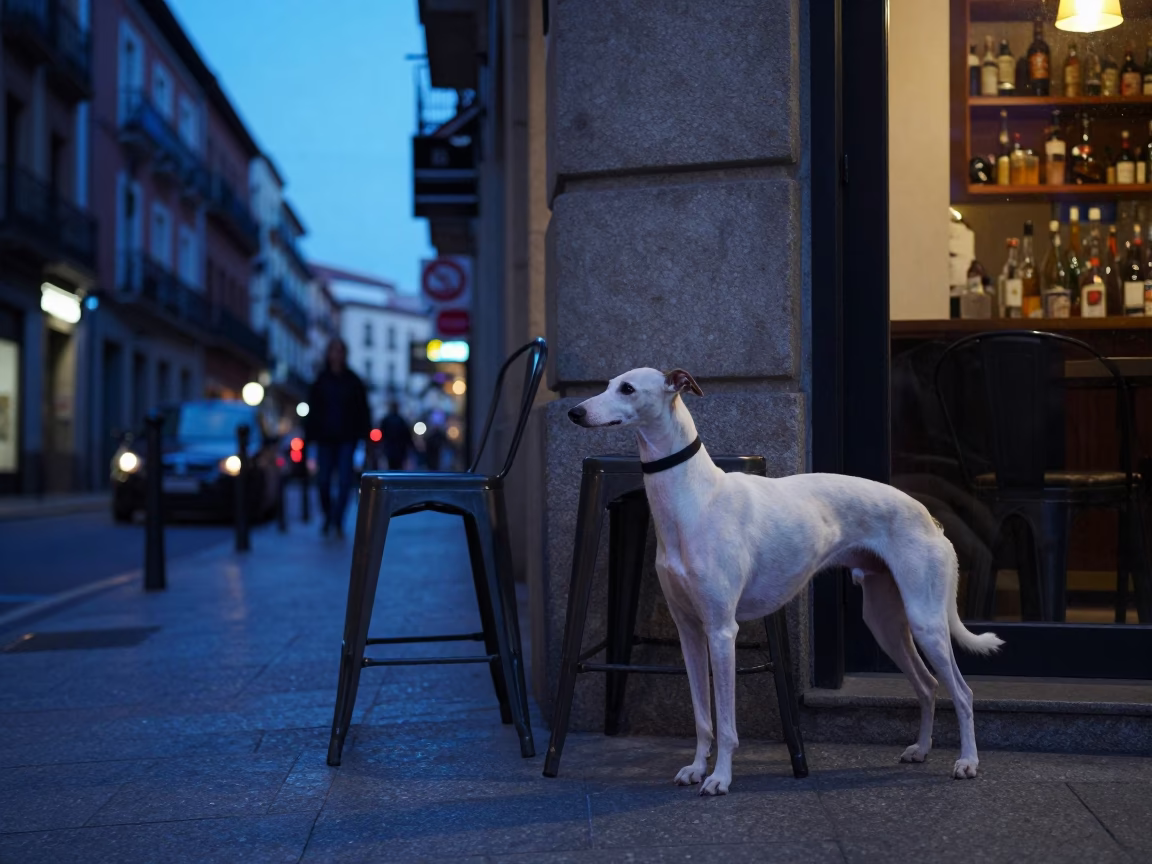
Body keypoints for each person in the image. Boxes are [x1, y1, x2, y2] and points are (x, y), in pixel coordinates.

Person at [304, 338, 370, 537]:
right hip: (325, 439)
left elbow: (363, 411)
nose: (336, 355)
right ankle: (329, 516)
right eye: (333, 351)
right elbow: (312, 410)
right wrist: (309, 435)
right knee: (323, 482)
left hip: (347, 439)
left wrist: (365, 436)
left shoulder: (353, 381)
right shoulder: (321, 381)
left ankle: (338, 520)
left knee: (344, 482)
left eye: (340, 351)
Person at [379, 402, 413, 471]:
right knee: (399, 466)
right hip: (400, 448)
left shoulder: (386, 420)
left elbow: (381, 433)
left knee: (391, 465)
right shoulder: (401, 420)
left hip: (389, 447)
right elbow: (407, 435)